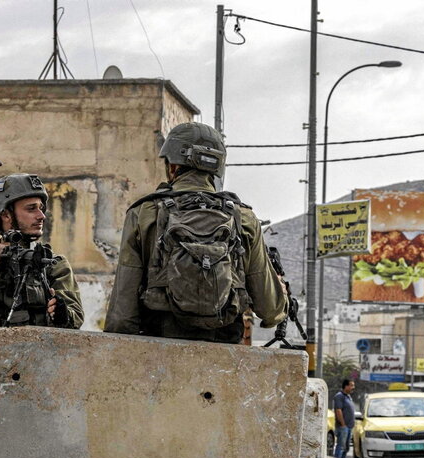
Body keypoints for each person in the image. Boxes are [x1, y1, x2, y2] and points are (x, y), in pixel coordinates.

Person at [103, 122, 287, 342]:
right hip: (223, 358)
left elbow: (122, 313)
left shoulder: (144, 213)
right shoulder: (243, 218)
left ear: (172, 166)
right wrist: (281, 300)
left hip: (158, 351)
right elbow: (270, 309)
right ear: (217, 167)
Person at [0, 173, 84, 330]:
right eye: (31, 209)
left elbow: (76, 318)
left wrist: (62, 315)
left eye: (41, 208)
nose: (41, 216)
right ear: (6, 215)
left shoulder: (53, 265)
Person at [333, 379, 356, 458]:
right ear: (346, 386)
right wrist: (343, 424)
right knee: (341, 447)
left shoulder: (348, 397)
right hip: (343, 427)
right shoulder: (339, 396)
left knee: (346, 448)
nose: (353, 387)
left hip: (349, 427)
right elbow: (338, 411)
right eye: (351, 385)